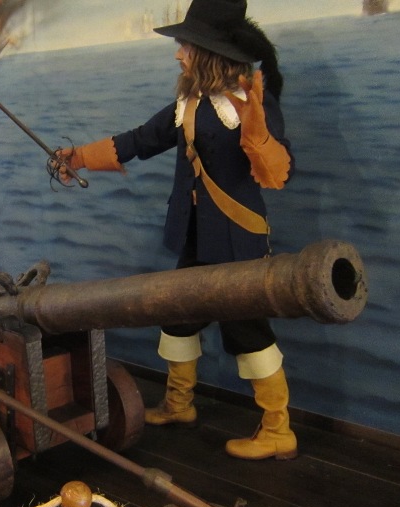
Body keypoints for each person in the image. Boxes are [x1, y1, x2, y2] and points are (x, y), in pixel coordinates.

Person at [54, 0, 297, 461]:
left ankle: (278, 428)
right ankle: (179, 404)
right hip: (197, 238)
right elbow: (140, 140)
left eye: (185, 46)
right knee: (178, 319)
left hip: (237, 240)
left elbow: (278, 171)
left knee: (247, 331)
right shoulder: (190, 103)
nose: (178, 53)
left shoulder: (250, 104)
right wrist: (78, 157)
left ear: (207, 54)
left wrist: (259, 135)